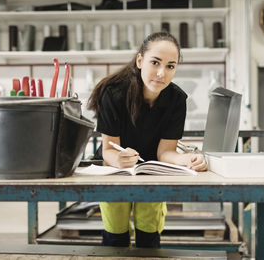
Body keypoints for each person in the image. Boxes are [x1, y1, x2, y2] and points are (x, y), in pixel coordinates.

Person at [87, 31, 207, 248]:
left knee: (148, 237)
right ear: (140, 60)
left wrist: (187, 159)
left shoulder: (177, 99)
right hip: (115, 172)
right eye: (155, 63)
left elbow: (165, 152)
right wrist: (120, 159)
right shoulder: (114, 94)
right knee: (115, 237)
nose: (161, 73)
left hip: (152, 170)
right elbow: (108, 150)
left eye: (170, 66)